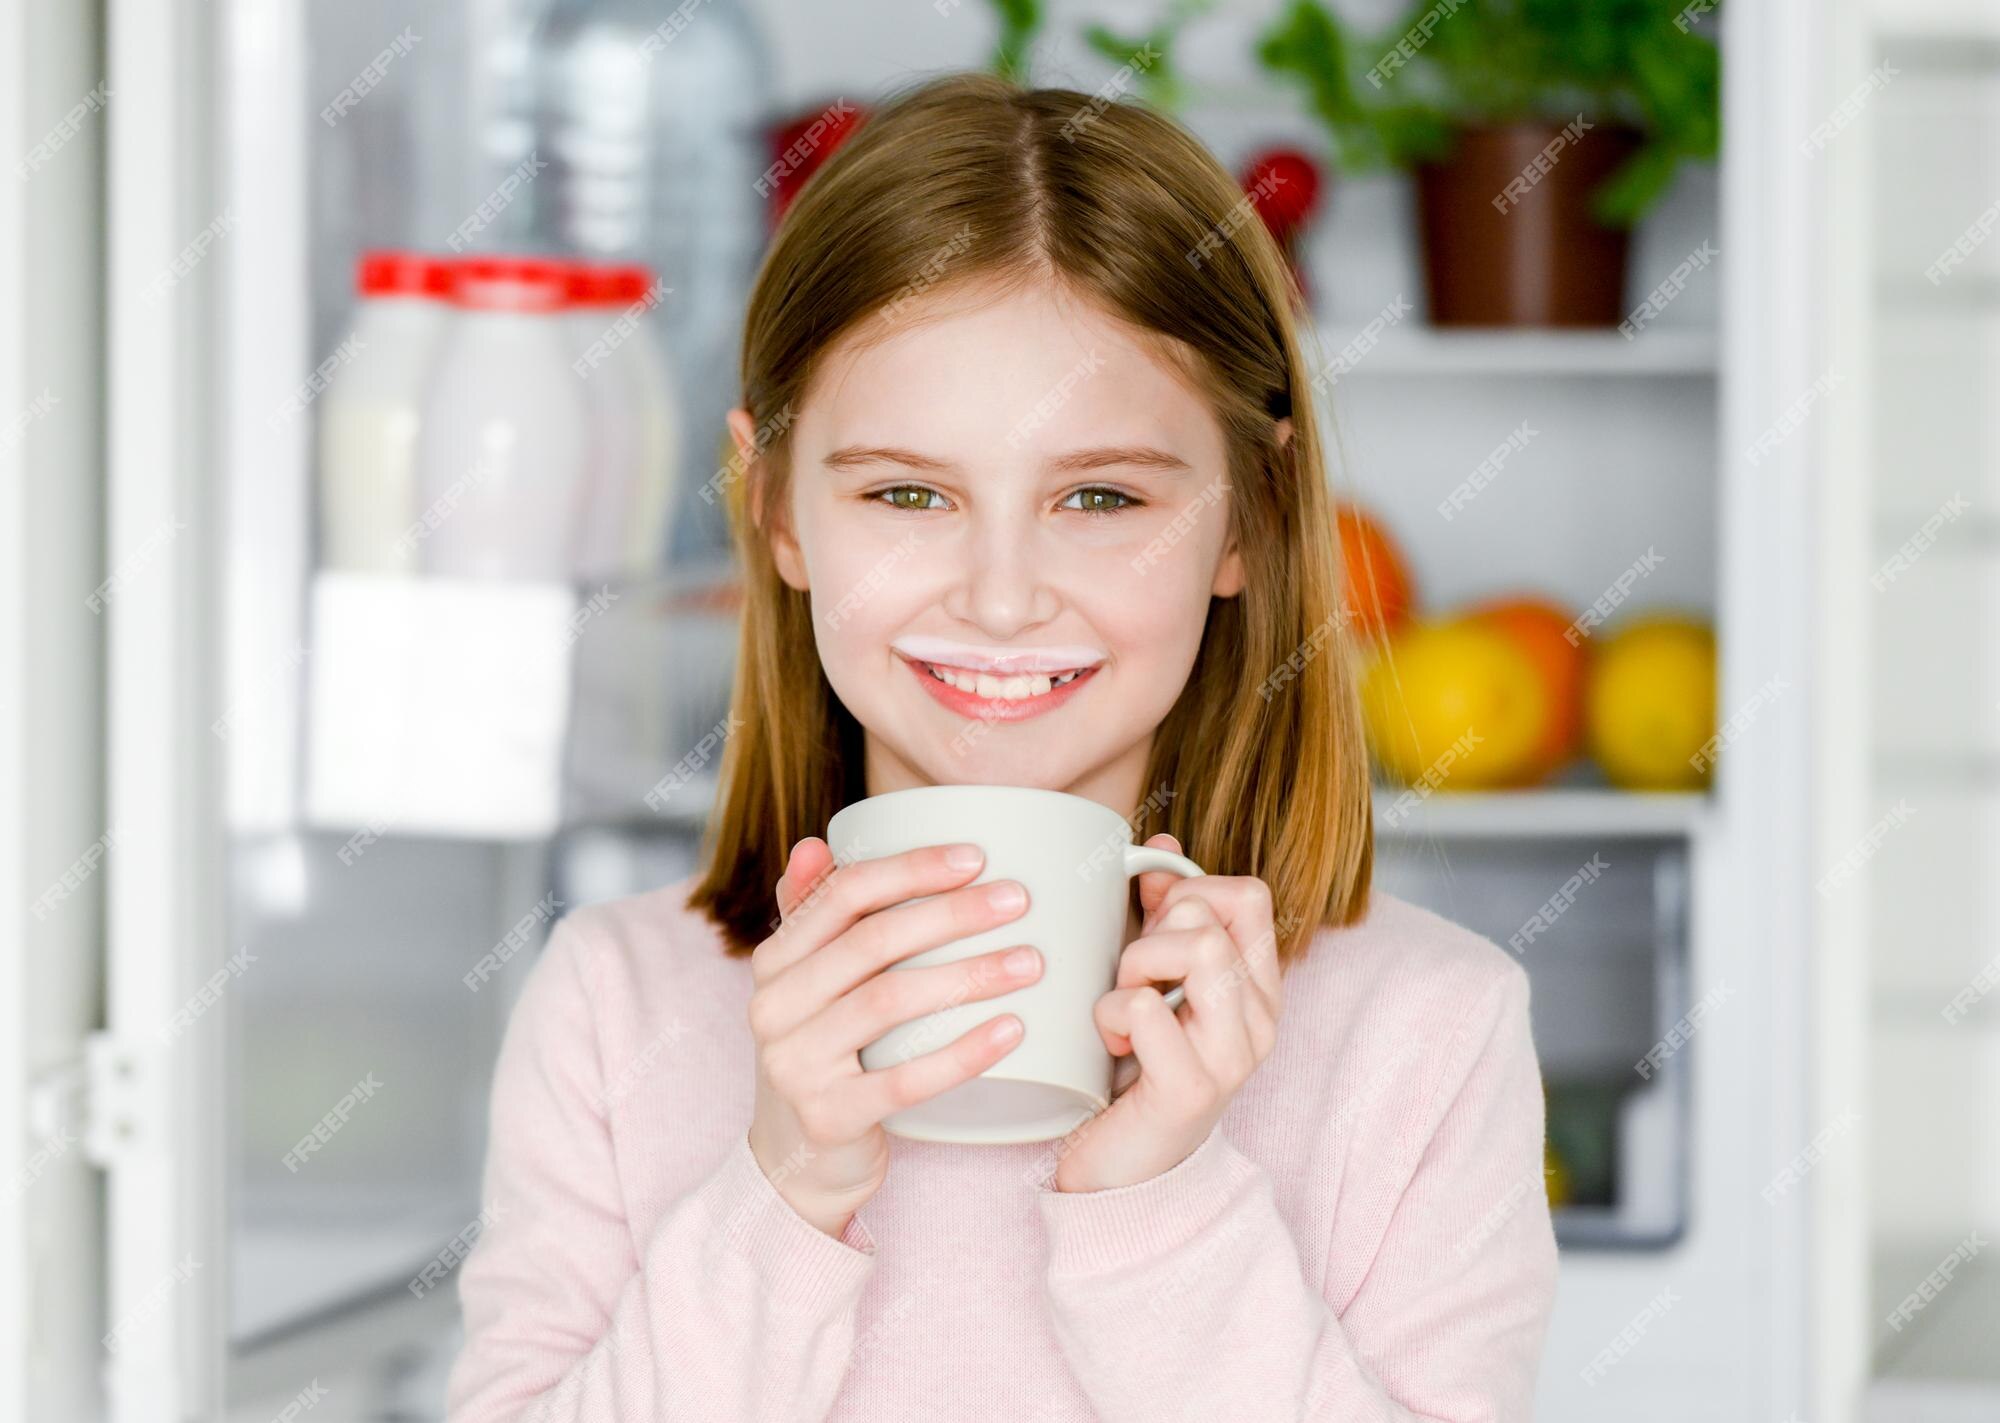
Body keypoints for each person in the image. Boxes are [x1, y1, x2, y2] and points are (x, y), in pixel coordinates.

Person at [446, 70, 1557, 1423]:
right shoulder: (612, 1005)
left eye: (1100, 496)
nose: (1001, 595)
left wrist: (1163, 1200)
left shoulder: (1428, 1033)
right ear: (777, 509)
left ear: (1246, 519)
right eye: (908, 492)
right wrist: (783, 1188)